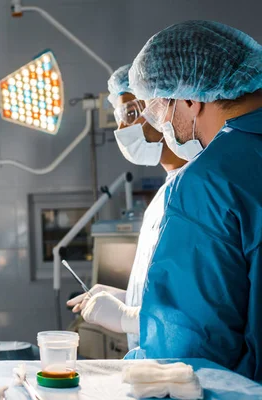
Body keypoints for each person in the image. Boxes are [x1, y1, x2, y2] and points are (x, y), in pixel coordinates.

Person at [126, 20, 262, 381]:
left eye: (159, 108)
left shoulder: (209, 182)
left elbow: (185, 356)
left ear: (189, 98)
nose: (163, 124)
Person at [66, 64, 186, 351]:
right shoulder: (165, 195)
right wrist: (126, 299)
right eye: (120, 117)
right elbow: (168, 294)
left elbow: (196, 313)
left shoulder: (192, 194)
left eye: (131, 113)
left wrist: (125, 316)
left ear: (163, 107)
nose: (122, 129)